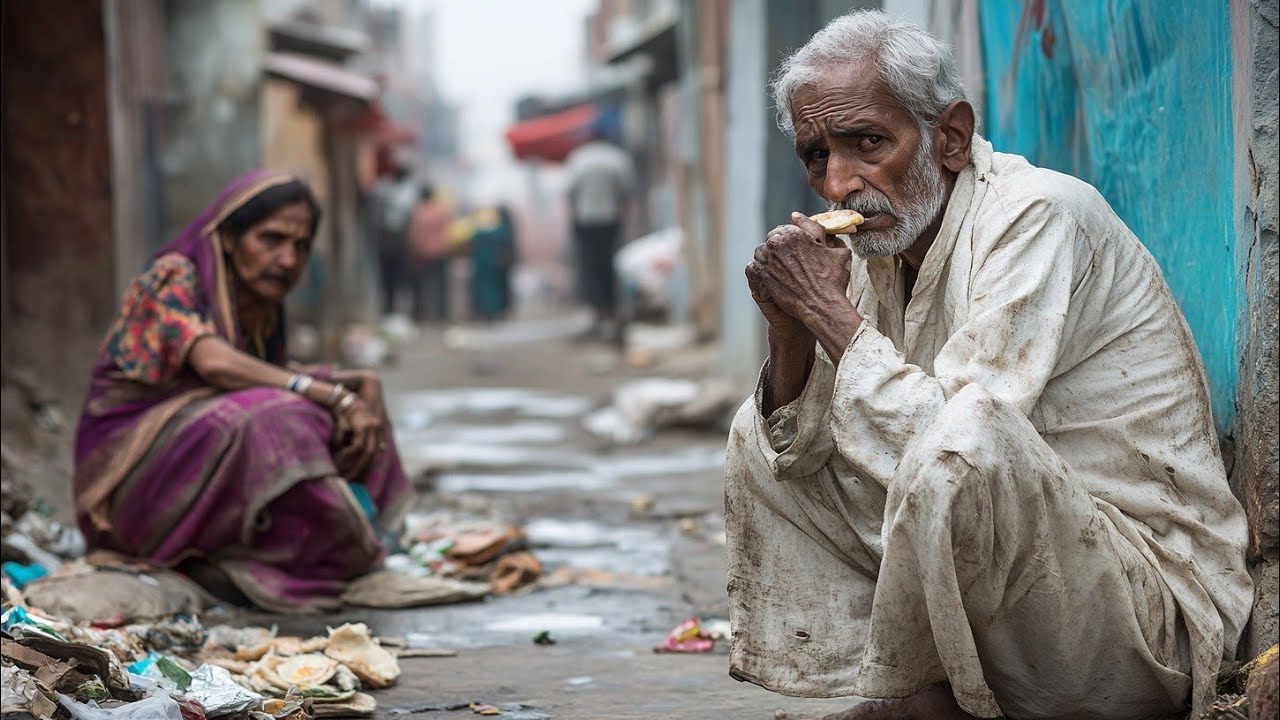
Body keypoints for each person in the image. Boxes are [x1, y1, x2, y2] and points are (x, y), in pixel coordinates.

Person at [726, 11, 1251, 720]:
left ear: (949, 137)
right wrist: (790, 329)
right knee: (761, 439)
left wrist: (827, 314)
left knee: (964, 438)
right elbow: (807, 450)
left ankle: (936, 702)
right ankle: (914, 688)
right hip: (1031, 586)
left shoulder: (1038, 214)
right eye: (817, 156)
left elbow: (962, 441)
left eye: (869, 143)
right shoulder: (875, 255)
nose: (841, 182)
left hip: (1144, 610)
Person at [73, 171, 410, 613]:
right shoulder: (175, 276)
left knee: (347, 406)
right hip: (128, 491)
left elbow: (267, 372)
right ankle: (337, 551)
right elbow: (213, 362)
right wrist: (325, 392)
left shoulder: (256, 304)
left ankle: (305, 552)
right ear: (229, 237)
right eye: (270, 239)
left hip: (194, 453)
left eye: (300, 246)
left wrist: (351, 386)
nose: (287, 259)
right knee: (278, 417)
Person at [563, 129, 636, 341]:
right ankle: (612, 310)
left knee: (590, 267)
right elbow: (626, 192)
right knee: (610, 266)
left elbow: (570, 194)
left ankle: (599, 312)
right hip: (610, 219)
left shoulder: (578, 159)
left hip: (585, 221)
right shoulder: (617, 158)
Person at [369, 160, 419, 317]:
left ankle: (392, 310)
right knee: (391, 280)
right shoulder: (391, 190)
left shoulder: (387, 189)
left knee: (392, 280)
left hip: (391, 242)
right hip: (392, 241)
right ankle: (390, 310)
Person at [407, 184, 453, 324]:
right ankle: (441, 314)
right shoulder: (441, 211)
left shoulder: (418, 212)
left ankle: (421, 314)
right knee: (441, 285)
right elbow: (449, 230)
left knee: (422, 286)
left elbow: (413, 234)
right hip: (441, 251)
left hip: (423, 253)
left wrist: (413, 248)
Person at [467, 204, 518, 323]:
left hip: (484, 265)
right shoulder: (501, 230)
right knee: (494, 290)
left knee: (486, 290)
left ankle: (485, 312)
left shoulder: (478, 232)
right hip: (493, 263)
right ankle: (493, 311)